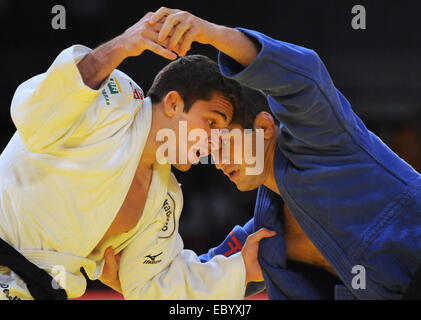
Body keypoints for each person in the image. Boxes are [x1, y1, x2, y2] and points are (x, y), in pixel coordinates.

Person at [106, 7, 420, 300]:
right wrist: (134, 279)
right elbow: (194, 278)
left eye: (224, 141)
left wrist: (210, 33)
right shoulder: (262, 237)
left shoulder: (323, 142)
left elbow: (304, 75)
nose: (218, 162)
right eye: (211, 150)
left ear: (265, 127)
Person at [0, 11, 276, 300]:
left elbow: (153, 285)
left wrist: (240, 268)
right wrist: (122, 46)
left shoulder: (164, 199)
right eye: (211, 122)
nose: (213, 141)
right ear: (172, 103)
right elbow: (34, 114)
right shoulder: (114, 101)